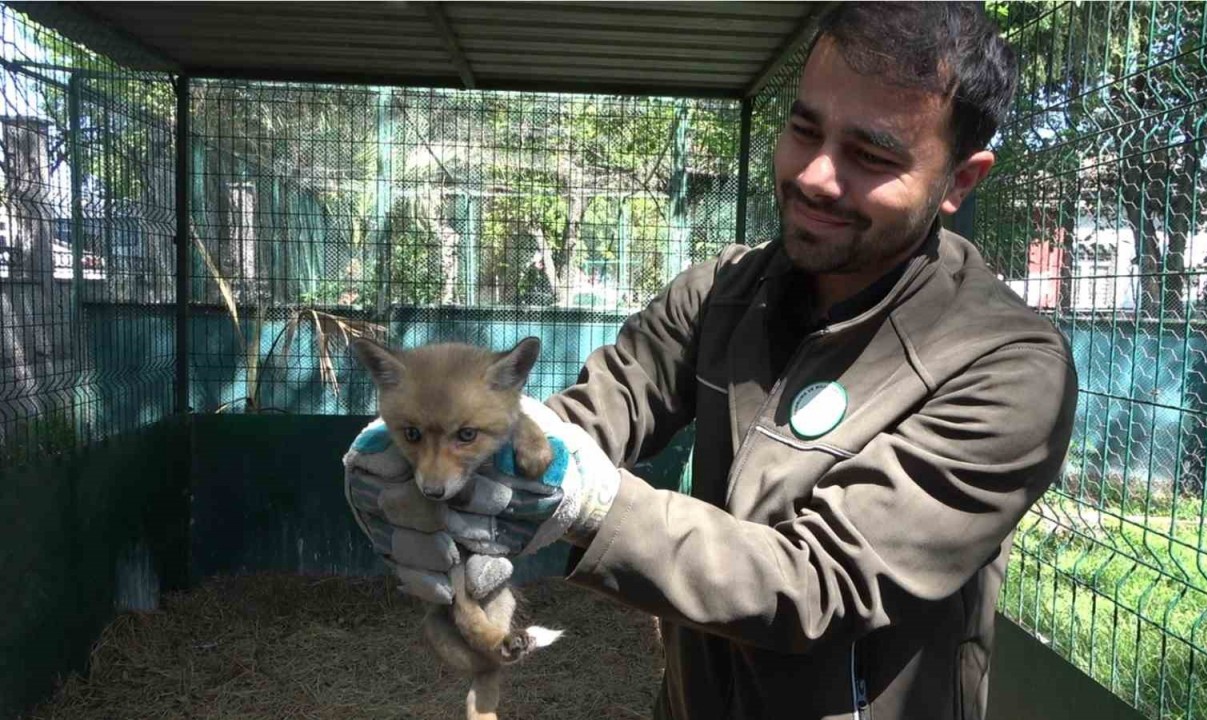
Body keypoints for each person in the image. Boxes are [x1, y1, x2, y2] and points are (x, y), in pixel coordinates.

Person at [342, 3, 1078, 719]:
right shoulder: (722, 294)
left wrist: (590, 502)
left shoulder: (1005, 367)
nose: (816, 175)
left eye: (872, 156)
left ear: (959, 181)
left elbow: (822, 583)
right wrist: (466, 456)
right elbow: (602, 409)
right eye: (804, 129)